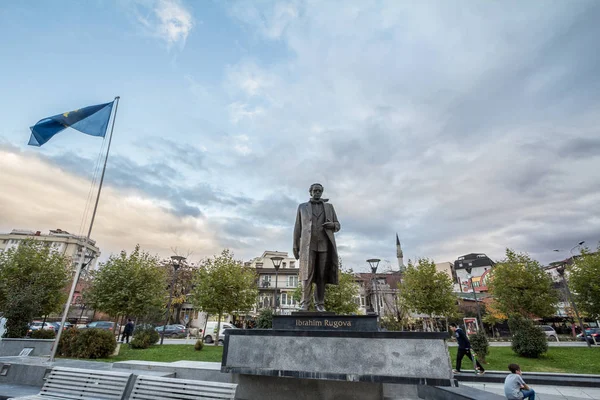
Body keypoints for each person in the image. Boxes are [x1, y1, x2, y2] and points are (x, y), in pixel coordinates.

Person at [293, 183, 341, 312]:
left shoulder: (329, 207)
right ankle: (305, 303)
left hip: (324, 244)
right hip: (308, 246)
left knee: (321, 275)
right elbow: (298, 228)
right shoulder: (302, 207)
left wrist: (332, 224)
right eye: (315, 190)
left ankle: (320, 303)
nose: (317, 193)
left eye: (319, 191)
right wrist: (295, 245)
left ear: (322, 192)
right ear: (310, 192)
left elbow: (338, 225)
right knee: (306, 275)